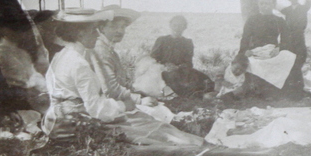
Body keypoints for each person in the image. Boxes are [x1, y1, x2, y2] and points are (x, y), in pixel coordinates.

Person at [43, 9, 203, 146]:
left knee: (143, 121)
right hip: (70, 127)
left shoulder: (62, 55)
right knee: (146, 127)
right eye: (93, 30)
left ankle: (191, 140)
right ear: (80, 33)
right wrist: (123, 106)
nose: (97, 35)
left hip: (55, 121)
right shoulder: (79, 64)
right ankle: (200, 145)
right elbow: (97, 109)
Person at [236, 0, 297, 96]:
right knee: (246, 61)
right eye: (262, 3)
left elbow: (286, 39)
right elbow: (245, 38)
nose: (264, 6)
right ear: (258, 4)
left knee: (289, 56)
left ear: (273, 4)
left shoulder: (279, 20)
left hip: (272, 51)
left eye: (267, 3)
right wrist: (246, 50)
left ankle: (275, 88)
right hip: (255, 51)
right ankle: (252, 88)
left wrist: (279, 49)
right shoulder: (252, 19)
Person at [150, 15, 215, 98]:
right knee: (173, 81)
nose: (177, 28)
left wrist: (178, 67)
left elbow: (189, 63)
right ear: (170, 25)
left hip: (181, 71)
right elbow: (152, 59)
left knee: (204, 80)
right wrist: (164, 66)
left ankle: (197, 94)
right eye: (175, 25)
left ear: (185, 27)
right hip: (163, 71)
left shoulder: (187, 43)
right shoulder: (161, 40)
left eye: (181, 26)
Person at [91, 5, 143, 104]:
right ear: (102, 28)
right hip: (104, 103)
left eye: (122, 26)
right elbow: (110, 90)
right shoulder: (101, 50)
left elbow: (121, 83)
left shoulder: (111, 51)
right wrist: (139, 100)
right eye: (114, 26)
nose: (120, 31)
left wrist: (140, 90)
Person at [278, 0, 311, 94]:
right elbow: (274, 4)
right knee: (289, 63)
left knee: (299, 62)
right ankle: (288, 90)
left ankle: (298, 91)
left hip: (299, 38)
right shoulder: (287, 10)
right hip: (288, 40)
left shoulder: (303, 8)